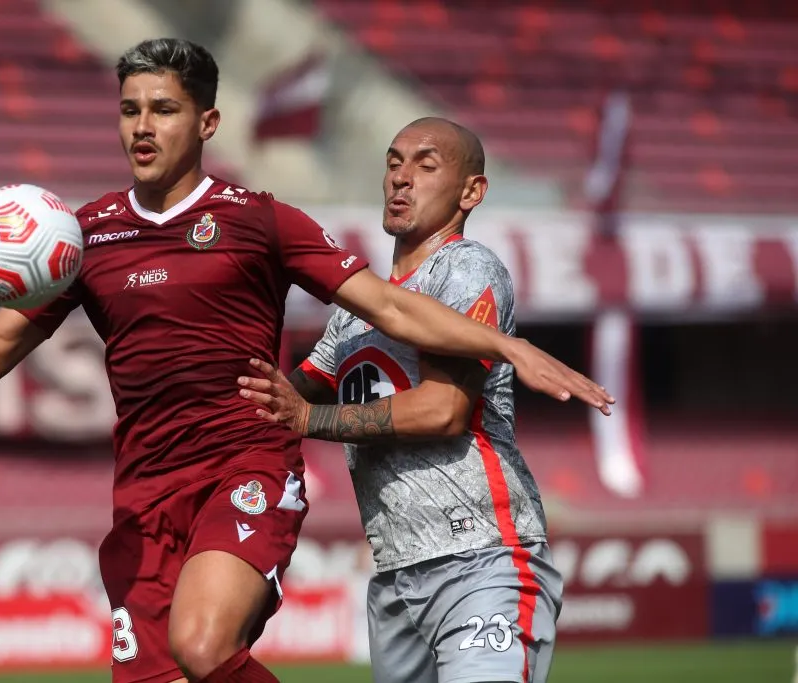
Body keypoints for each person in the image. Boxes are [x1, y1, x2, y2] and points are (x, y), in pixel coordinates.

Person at [0, 40, 609, 683]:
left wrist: (505, 343)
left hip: (244, 466)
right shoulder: (83, 237)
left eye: (164, 109)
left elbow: (391, 305)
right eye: (130, 109)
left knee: (205, 643)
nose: (142, 126)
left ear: (207, 121)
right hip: (145, 493)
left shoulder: (259, 220)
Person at [237, 118, 567, 683]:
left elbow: (444, 411)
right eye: (393, 163)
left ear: (471, 192)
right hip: (395, 575)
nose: (401, 178)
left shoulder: (466, 268)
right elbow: (283, 400)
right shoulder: (356, 310)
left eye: (425, 165)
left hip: (481, 558)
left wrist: (309, 417)